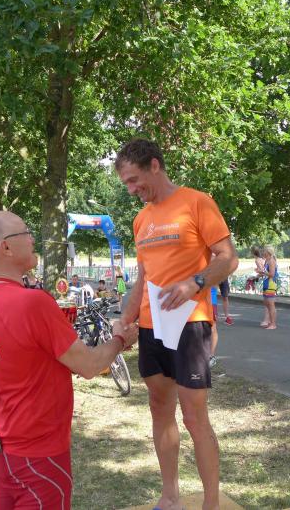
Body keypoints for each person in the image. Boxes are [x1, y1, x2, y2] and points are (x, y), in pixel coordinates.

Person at [0, 210, 138, 509]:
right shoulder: (33, 302)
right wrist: (121, 339)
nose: (32, 240)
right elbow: (90, 366)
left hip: (0, 450)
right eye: (25, 233)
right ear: (5, 246)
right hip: (38, 454)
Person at [115, 137, 238, 510]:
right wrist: (125, 319)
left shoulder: (197, 202)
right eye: (126, 183)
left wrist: (194, 283)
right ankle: (170, 496)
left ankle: (211, 503)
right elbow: (143, 278)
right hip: (151, 327)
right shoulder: (141, 219)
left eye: (134, 180)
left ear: (155, 165)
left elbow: (228, 258)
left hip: (189, 324)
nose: (131, 190)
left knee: (194, 417)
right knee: (159, 406)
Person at [258, 246, 278, 329]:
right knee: (267, 304)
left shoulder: (271, 261)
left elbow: (272, 274)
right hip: (266, 283)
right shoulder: (267, 260)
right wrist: (258, 274)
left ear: (268, 252)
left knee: (271, 304)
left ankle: (273, 324)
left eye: (264, 251)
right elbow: (266, 273)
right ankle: (269, 321)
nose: (263, 252)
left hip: (271, 284)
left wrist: (262, 272)